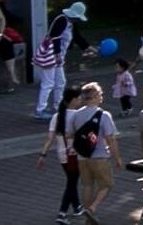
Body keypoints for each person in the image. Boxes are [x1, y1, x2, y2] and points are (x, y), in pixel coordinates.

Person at [48, 82, 113, 224]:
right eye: (100, 94)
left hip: (76, 156)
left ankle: (82, 211)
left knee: (85, 184)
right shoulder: (100, 115)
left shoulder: (68, 115)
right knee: (101, 184)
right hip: (91, 155)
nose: (102, 96)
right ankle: (81, 210)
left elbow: (67, 135)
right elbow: (111, 138)